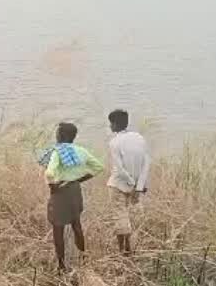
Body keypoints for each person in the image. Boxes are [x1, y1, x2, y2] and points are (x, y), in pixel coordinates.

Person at [44, 122, 105, 273]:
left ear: (61, 136)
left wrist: (53, 186)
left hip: (61, 191)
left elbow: (49, 173)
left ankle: (61, 265)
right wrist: (79, 180)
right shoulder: (81, 151)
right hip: (75, 190)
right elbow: (99, 167)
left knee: (58, 228)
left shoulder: (58, 152)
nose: (56, 135)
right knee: (76, 224)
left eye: (58, 133)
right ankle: (83, 257)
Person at [106, 109, 151, 256]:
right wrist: (139, 186)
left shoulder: (114, 142)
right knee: (130, 215)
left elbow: (119, 169)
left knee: (120, 216)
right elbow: (146, 163)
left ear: (114, 124)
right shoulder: (139, 138)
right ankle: (129, 249)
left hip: (118, 184)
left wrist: (131, 183)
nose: (110, 126)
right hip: (136, 186)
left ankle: (124, 252)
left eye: (110, 123)